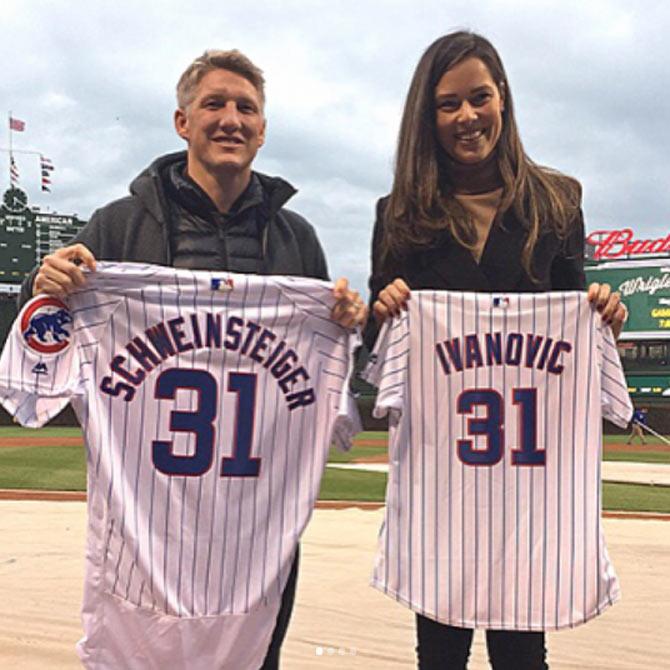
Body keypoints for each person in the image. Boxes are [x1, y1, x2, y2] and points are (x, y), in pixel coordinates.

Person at [20, 49, 367, 669]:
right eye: (214, 104)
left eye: (246, 108)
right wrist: (42, 286)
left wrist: (342, 322)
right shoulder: (119, 226)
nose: (230, 118)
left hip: (257, 528)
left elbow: (327, 380)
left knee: (256, 659)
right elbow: (43, 336)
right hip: (146, 522)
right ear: (182, 122)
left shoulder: (296, 239)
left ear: (262, 130)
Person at [365, 32, 627, 670]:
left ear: (502, 98)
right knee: (440, 655)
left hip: (529, 481)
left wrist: (603, 318)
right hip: (442, 479)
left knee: (521, 655)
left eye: (478, 98)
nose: (466, 118)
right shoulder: (400, 212)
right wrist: (385, 310)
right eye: (448, 104)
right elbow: (377, 350)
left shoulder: (557, 202)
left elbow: (572, 322)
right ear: (427, 118)